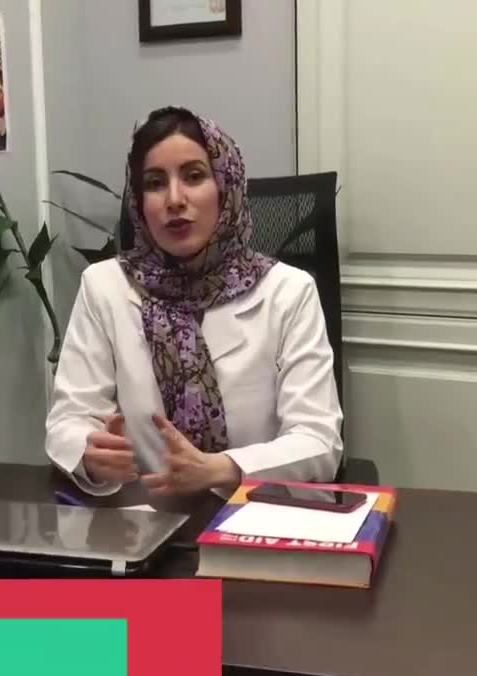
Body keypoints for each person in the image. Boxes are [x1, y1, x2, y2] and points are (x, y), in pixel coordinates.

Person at [45, 106, 343, 499]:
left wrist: (219, 469)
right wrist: (89, 452)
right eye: (155, 183)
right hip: (146, 519)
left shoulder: (289, 291)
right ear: (139, 202)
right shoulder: (105, 286)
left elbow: (319, 441)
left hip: (258, 515)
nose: (174, 199)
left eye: (194, 176)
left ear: (226, 186)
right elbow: (68, 420)